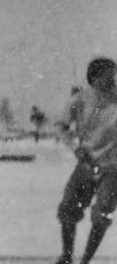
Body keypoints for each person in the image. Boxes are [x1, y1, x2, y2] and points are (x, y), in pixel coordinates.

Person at [54, 57, 117, 264]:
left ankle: (85, 261)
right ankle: (67, 256)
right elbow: (60, 125)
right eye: (108, 75)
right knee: (67, 210)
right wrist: (75, 147)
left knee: (101, 216)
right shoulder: (80, 99)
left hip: (112, 168)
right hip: (86, 164)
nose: (113, 80)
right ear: (95, 77)